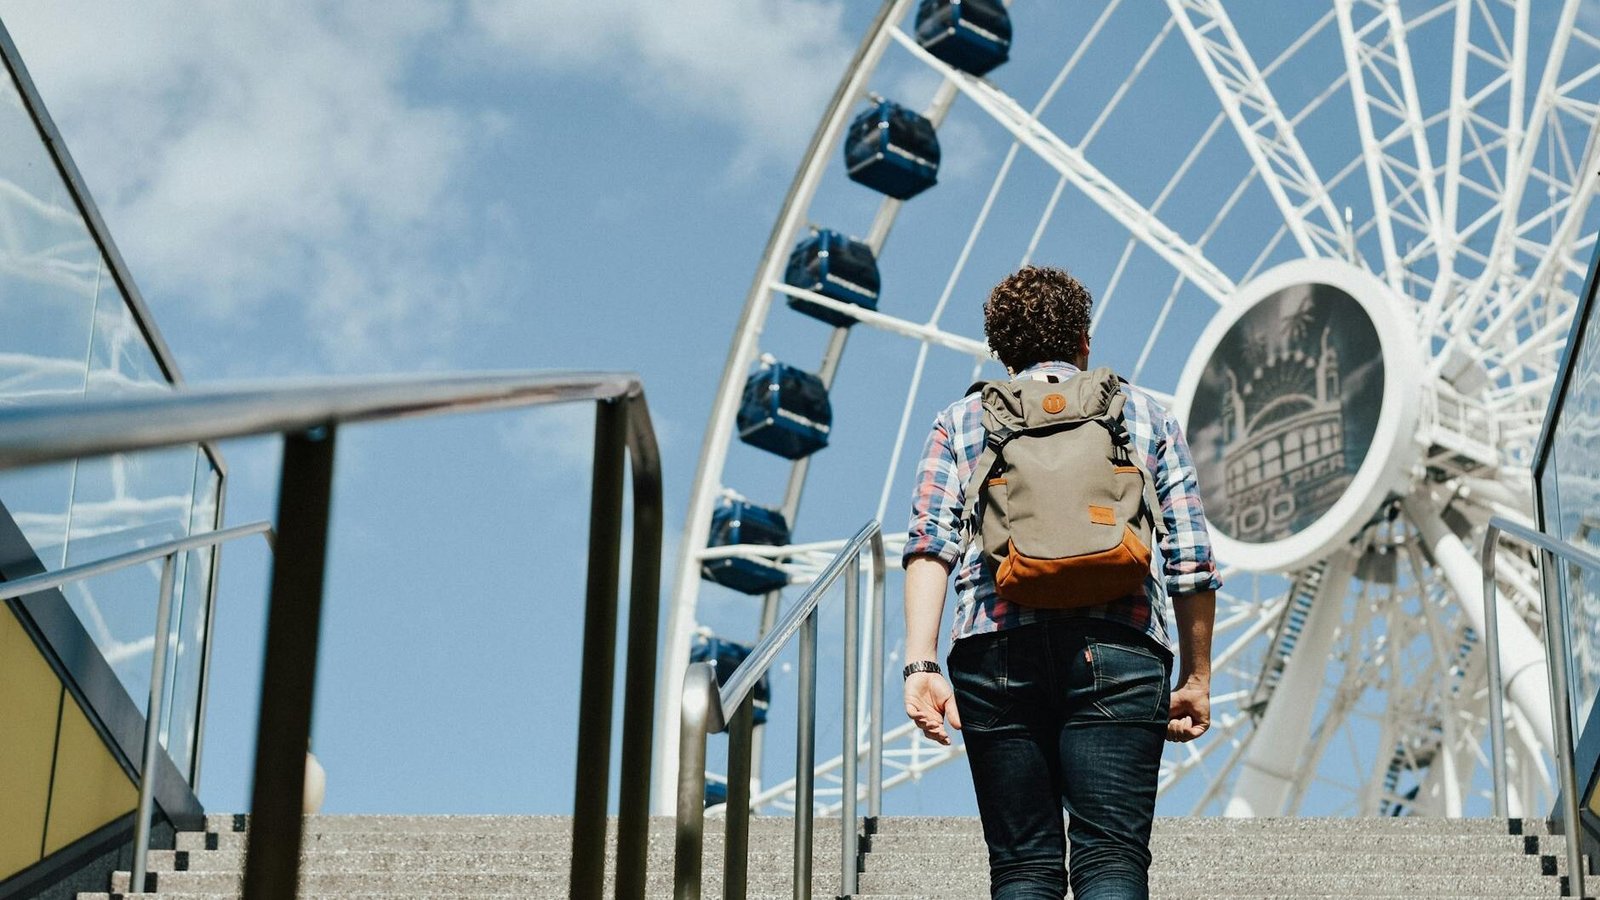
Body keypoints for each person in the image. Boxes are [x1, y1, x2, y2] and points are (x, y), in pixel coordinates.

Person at [901, 265, 1221, 900]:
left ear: (1000, 350)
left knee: (1023, 867)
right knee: (1111, 860)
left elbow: (930, 546)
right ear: (1084, 341)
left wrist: (920, 665)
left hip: (995, 650)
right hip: (1120, 646)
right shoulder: (1144, 416)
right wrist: (1197, 677)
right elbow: (1190, 556)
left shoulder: (962, 421)